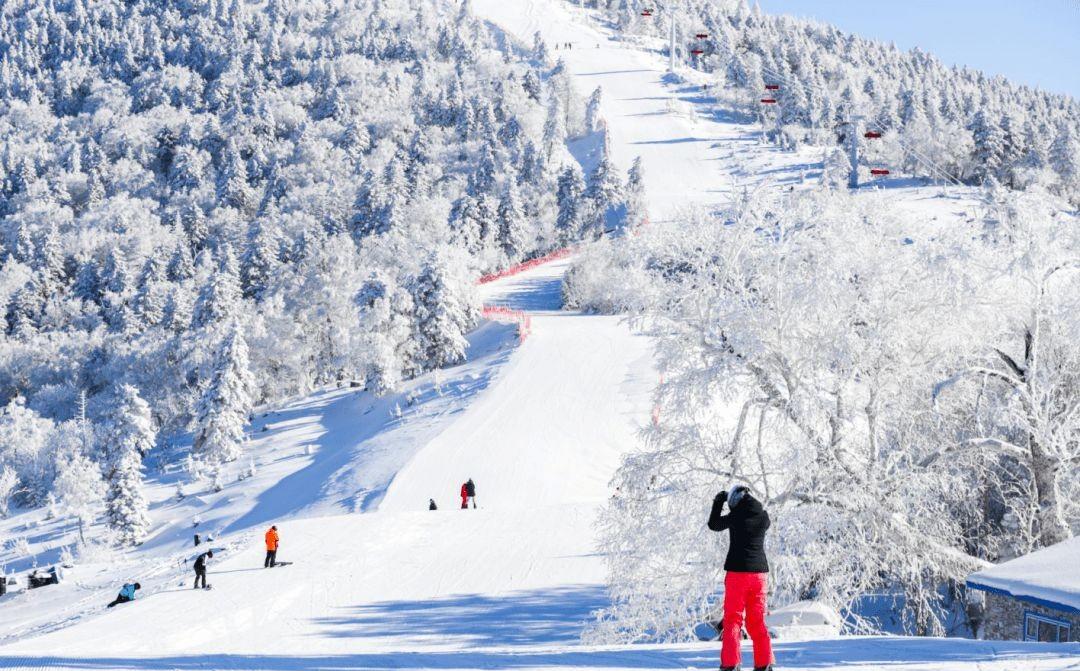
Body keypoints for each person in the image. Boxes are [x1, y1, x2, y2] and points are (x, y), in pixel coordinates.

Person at [707, 485, 773, 671]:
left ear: (734, 502)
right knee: (757, 621)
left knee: (733, 620)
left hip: (738, 574)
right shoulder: (763, 516)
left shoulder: (736, 515)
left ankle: (730, 665)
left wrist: (718, 502)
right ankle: (765, 664)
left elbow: (714, 524)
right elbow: (764, 521)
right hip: (760, 576)